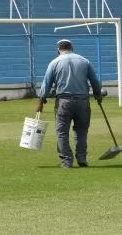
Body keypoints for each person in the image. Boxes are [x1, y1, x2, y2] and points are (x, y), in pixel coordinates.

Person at [38, 39, 102, 168]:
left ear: (58, 50)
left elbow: (46, 84)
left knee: (62, 132)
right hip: (83, 101)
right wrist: (97, 94)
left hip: (63, 101)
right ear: (72, 47)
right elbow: (95, 80)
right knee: (81, 131)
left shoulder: (54, 62)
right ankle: (82, 158)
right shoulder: (84, 61)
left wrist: (41, 99)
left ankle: (67, 160)